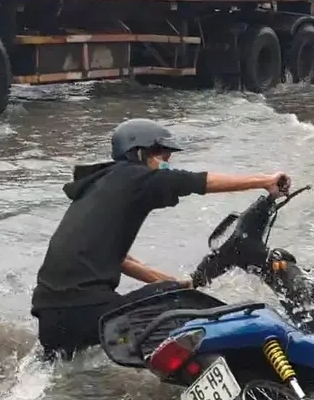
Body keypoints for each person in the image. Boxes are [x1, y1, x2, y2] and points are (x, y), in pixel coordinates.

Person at [31, 118, 291, 360]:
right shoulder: (135, 177)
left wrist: (173, 282)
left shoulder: (100, 187)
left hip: (51, 320)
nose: (167, 165)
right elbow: (198, 182)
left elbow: (121, 261)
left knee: (170, 294)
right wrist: (265, 181)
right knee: (182, 308)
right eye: (163, 158)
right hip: (89, 310)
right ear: (140, 153)